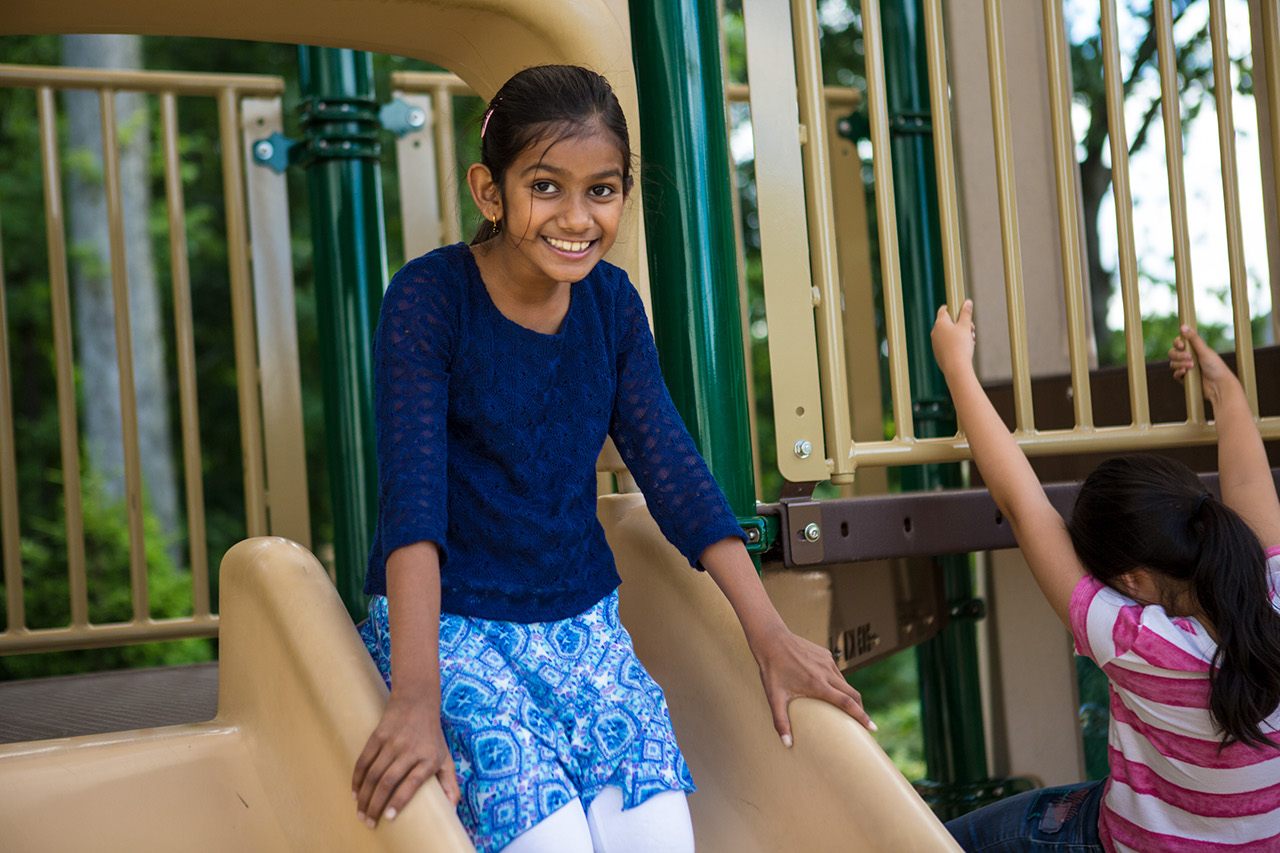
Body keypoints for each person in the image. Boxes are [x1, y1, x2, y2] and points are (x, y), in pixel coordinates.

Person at [349, 64, 875, 853]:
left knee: (658, 835)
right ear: (490, 193)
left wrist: (768, 633)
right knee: (551, 841)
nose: (576, 216)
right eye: (545, 187)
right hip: (451, 626)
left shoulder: (611, 304)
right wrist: (416, 696)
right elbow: (413, 504)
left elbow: (673, 472)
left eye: (601, 190)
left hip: (580, 625)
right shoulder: (430, 298)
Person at [932, 300, 1280, 852]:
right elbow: (1250, 485)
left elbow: (1024, 507)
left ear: (1132, 580)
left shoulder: (1141, 644)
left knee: (933, 842)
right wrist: (1225, 389)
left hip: (1130, 842)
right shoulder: (1273, 588)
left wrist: (955, 367)